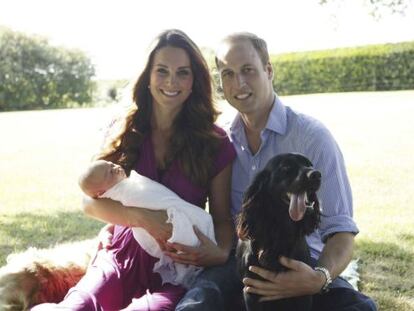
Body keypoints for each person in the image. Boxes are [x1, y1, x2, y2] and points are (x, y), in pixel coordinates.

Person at [31, 29, 236, 311]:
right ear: (148, 77)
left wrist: (220, 252)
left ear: (194, 81)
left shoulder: (215, 142)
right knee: (78, 307)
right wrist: (140, 217)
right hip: (121, 256)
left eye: (183, 72)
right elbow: (89, 202)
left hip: (176, 269)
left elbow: (223, 219)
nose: (171, 81)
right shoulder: (124, 128)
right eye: (162, 71)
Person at [214, 32, 377, 310]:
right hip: (241, 265)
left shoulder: (311, 137)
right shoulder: (221, 142)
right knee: (196, 302)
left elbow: (341, 231)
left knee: (360, 308)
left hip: (304, 264)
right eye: (227, 73)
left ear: (269, 70)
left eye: (248, 70)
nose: (238, 82)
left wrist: (319, 277)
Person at [78, 159, 217, 287]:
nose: (115, 167)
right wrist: (137, 217)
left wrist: (220, 254)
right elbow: (87, 201)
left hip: (169, 255)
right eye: (109, 172)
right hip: (120, 253)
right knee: (85, 297)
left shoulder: (212, 144)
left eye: (112, 165)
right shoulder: (126, 139)